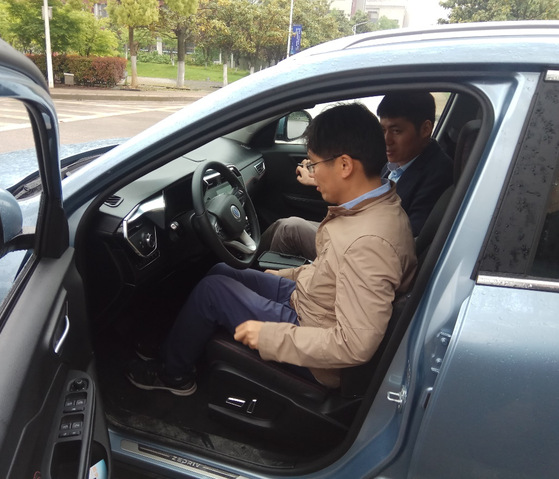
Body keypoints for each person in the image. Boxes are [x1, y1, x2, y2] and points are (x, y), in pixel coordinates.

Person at [126, 103, 418, 395]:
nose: (312, 174)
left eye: (314, 164)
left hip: (316, 339)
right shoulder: (371, 209)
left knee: (212, 292)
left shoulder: (369, 243)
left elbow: (354, 345)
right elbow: (333, 270)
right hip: (313, 303)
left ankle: (173, 375)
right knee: (221, 270)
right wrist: (287, 276)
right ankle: (175, 344)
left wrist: (268, 335)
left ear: (345, 165)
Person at [261, 91, 453, 260]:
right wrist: (318, 178)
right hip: (355, 232)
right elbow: (366, 189)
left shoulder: (438, 174)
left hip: (365, 248)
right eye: (383, 130)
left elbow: (407, 239)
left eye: (396, 131)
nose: (387, 140)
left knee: (288, 229)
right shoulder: (400, 162)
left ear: (426, 129)